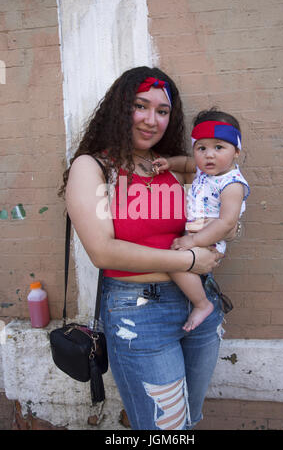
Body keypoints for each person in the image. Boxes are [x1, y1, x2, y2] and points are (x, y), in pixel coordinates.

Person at [60, 67, 230, 431]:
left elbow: (224, 186)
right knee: (166, 430)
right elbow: (103, 252)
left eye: (163, 111)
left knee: (189, 418)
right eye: (141, 106)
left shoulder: (174, 167)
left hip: (202, 306)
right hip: (139, 313)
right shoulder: (93, 167)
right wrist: (188, 259)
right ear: (121, 108)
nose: (152, 120)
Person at [152, 109, 250, 332]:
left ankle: (202, 304)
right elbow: (187, 163)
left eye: (219, 147)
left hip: (211, 240)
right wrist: (169, 163)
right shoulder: (204, 171)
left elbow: (226, 223)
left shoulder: (231, 184)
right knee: (178, 261)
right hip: (197, 235)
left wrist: (194, 242)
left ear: (236, 151)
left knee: (175, 263)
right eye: (202, 148)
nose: (209, 155)